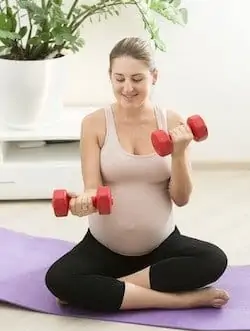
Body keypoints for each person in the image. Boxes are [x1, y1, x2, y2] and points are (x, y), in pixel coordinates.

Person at [45, 37, 229, 312]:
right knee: (58, 279)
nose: (127, 88)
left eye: (137, 78)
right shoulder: (94, 123)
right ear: (110, 77)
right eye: (119, 78)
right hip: (105, 246)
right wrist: (82, 202)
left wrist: (179, 152)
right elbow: (93, 189)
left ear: (154, 77)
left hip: (161, 246)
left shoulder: (174, 122)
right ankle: (183, 300)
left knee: (214, 259)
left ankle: (111, 288)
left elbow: (181, 199)